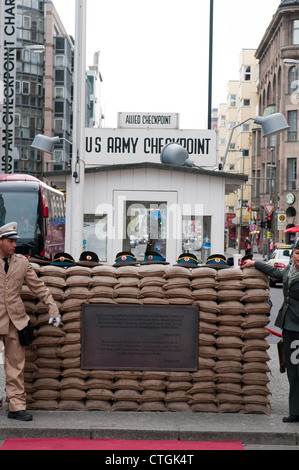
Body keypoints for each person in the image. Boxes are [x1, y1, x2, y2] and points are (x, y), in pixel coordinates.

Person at [0, 222, 61, 422]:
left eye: (15, 241)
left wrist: (52, 307)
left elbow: (39, 287)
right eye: (10, 241)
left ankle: (16, 406)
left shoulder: (21, 263)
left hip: (15, 320)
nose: (14, 245)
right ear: (0, 242)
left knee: (16, 365)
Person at [243, 240, 299, 423]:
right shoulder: (289, 271)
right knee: (293, 371)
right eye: (297, 253)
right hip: (289, 327)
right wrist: (255, 264)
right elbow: (275, 273)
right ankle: (295, 411)